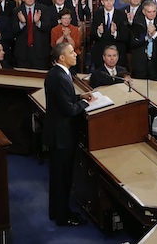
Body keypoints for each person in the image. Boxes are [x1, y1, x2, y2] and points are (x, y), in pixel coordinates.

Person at [43, 42, 94, 227]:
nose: (76, 54)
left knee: (60, 178)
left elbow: (66, 99)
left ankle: (58, 212)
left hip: (60, 134)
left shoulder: (59, 73)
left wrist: (81, 97)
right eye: (71, 52)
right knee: (62, 179)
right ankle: (63, 217)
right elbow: (68, 109)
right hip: (61, 137)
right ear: (61, 57)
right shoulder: (58, 77)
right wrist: (87, 104)